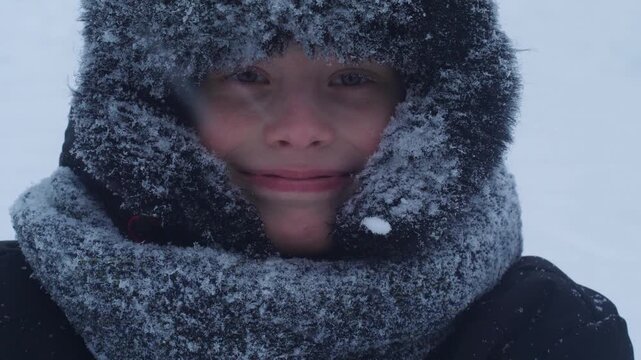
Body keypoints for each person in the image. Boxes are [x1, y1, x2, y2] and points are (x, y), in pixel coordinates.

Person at [1, 1, 634, 359]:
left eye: (352, 78)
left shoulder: (544, 333)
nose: (299, 129)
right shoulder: (14, 310)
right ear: (160, 100)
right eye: (247, 75)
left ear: (430, 104)